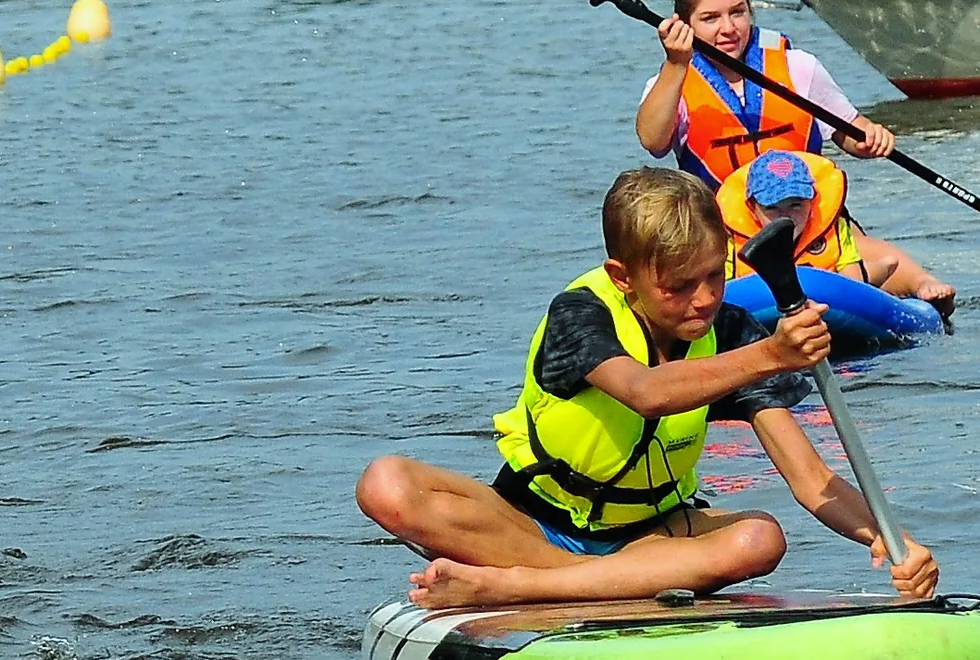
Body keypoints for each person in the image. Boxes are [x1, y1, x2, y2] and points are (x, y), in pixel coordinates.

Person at [356, 166, 939, 609]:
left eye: (715, 276)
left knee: (759, 540)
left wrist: (893, 538)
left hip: (649, 538)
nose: (705, 299)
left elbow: (812, 482)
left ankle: (519, 588)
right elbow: (646, 392)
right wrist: (773, 354)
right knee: (386, 484)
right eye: (680, 287)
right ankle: (544, 580)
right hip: (527, 521)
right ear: (623, 278)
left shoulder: (732, 332)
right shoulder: (581, 314)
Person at [635, 0, 896, 187]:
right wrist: (676, 64)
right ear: (683, 24)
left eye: (737, 13)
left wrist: (869, 139)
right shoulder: (670, 83)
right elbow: (653, 142)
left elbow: (849, 131)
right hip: (722, 230)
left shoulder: (799, 67)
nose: (728, 28)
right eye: (710, 18)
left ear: (750, 11)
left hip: (808, 220)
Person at [718, 149, 954, 316]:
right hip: (763, 303)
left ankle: (888, 270)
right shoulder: (730, 242)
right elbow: (725, 294)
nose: (785, 216)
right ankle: (884, 268)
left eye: (796, 205)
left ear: (812, 201)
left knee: (870, 275)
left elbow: (851, 286)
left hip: (829, 289)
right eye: (772, 207)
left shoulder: (834, 228)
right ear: (751, 207)